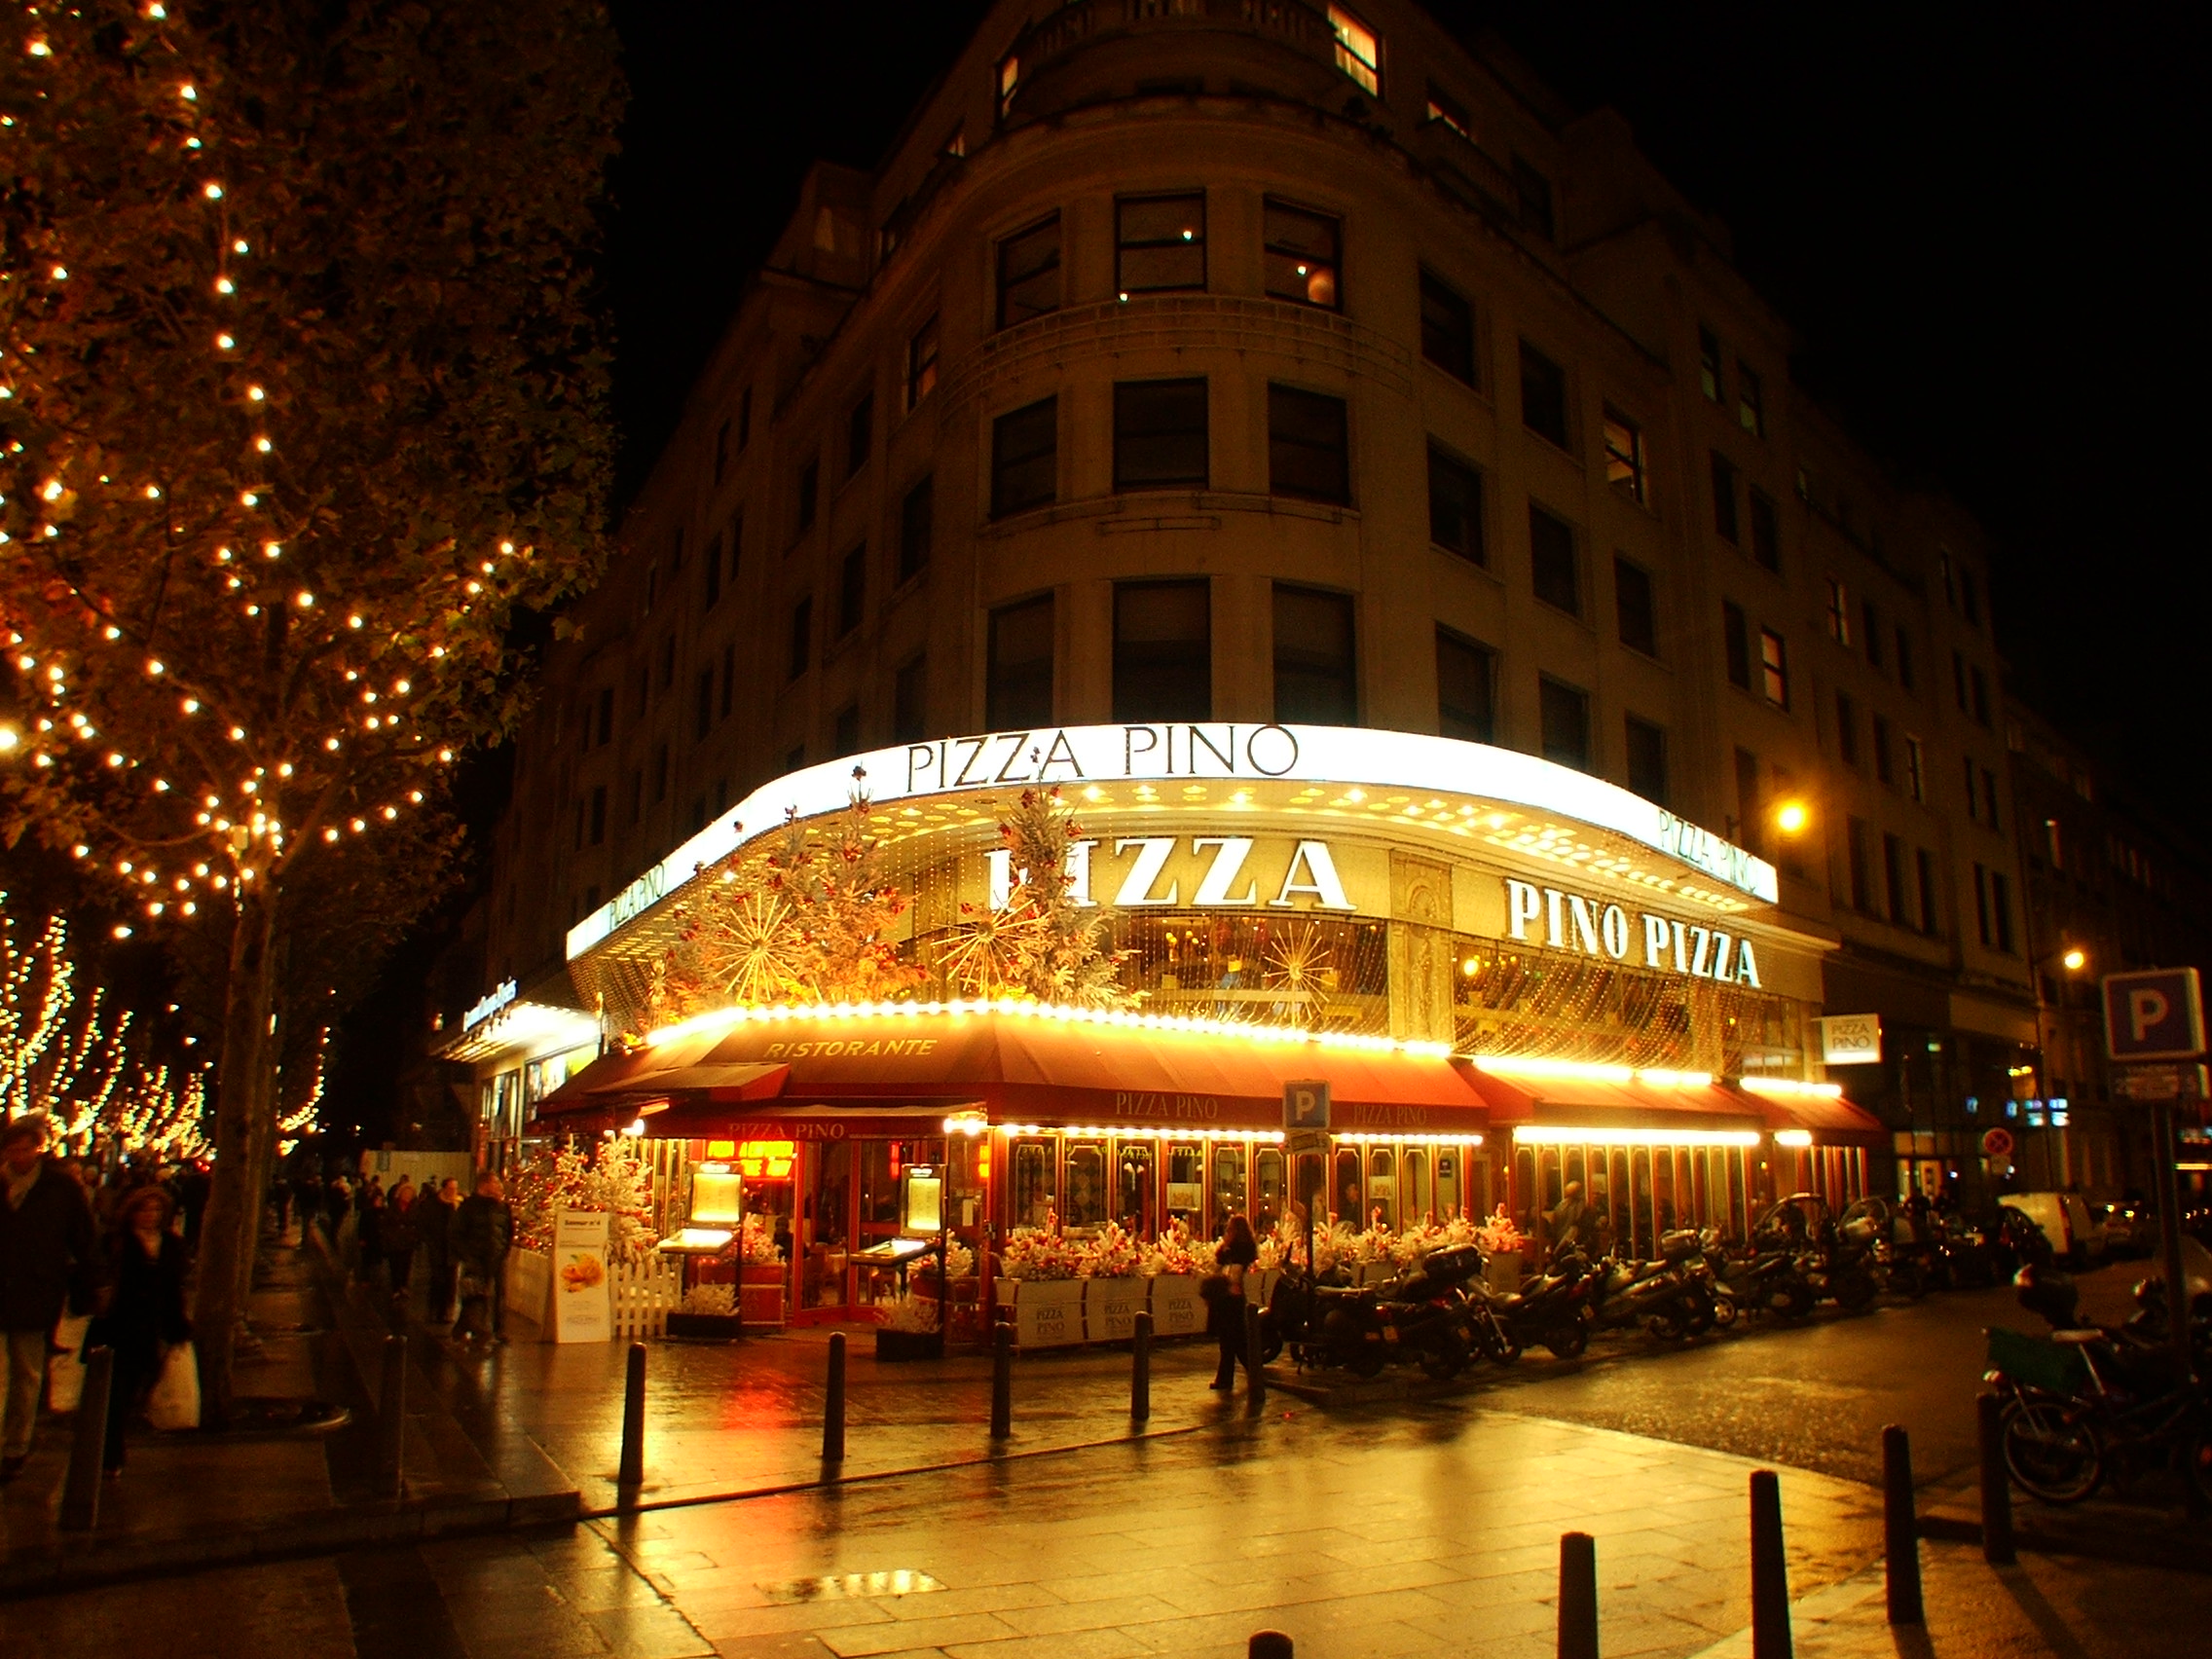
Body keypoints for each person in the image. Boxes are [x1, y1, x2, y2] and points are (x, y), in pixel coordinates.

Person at [0, 1112, 100, 1480]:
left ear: (38, 1149)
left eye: (24, 1149)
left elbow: (83, 1237)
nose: (18, 1157)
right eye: (12, 1150)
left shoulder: (60, 1188)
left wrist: (89, 1282)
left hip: (35, 1289)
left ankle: (15, 1444)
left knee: (26, 1373)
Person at [88, 1185, 191, 1473]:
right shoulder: (117, 1242)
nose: (150, 1215)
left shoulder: (170, 1244)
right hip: (119, 1324)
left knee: (136, 1388)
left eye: (156, 1210)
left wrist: (177, 1326)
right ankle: (110, 1454)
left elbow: (174, 1288)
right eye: (144, 1209)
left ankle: (112, 1447)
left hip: (152, 1326)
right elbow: (99, 1276)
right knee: (114, 1392)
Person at [452, 1170, 514, 1341]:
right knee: (475, 1294)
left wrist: (504, 1250)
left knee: (499, 1294)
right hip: (475, 1258)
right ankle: (471, 1327)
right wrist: (466, 1255)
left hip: (497, 1257)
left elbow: (508, 1231)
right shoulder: (469, 1207)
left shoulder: (502, 1207)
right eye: (495, 1183)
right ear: (484, 1185)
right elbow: (456, 1233)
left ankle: (498, 1329)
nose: (499, 1186)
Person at [1209, 1213, 1260, 1391]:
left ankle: (1232, 1377)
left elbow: (1232, 1272)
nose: (1227, 1232)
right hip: (1232, 1296)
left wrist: (1225, 1251)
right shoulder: (1234, 1249)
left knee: (1232, 1340)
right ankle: (1249, 1373)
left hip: (1232, 1297)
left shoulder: (1238, 1250)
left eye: (1230, 1229)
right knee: (1234, 1340)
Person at [421, 1177, 460, 1324]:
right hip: (436, 1247)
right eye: (451, 1188)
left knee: (450, 1281)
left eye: (455, 1188)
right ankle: (433, 1309)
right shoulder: (432, 1205)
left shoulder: (457, 1205)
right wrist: (429, 1242)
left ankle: (445, 1311)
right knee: (437, 1279)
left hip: (452, 1249)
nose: (453, 1191)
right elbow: (425, 1225)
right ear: (444, 1188)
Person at [383, 1181, 421, 1305]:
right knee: (395, 1265)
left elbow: (418, 1222)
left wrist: (415, 1237)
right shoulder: (392, 1206)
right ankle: (395, 1288)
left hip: (408, 1241)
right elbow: (386, 1223)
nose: (407, 1196)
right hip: (394, 1240)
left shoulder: (415, 1207)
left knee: (406, 1265)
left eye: (410, 1194)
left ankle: (403, 1286)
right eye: (405, 1193)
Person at [357, 1183, 387, 1287]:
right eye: (377, 1200)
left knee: (378, 1261)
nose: (379, 1202)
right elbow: (361, 1226)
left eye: (381, 1200)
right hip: (369, 1240)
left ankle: (377, 1280)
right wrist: (361, 1238)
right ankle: (366, 1279)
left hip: (379, 1240)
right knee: (367, 1260)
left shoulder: (384, 1212)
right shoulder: (367, 1212)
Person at [1549, 1181, 1590, 1254]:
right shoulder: (1580, 1206)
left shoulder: (1559, 1206)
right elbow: (1576, 1226)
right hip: (1573, 1245)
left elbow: (1553, 1226)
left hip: (1559, 1243)